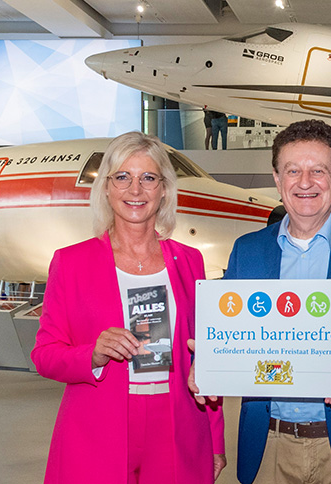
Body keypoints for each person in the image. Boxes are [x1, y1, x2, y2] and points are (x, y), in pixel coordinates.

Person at [190, 119, 331, 484]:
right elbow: (223, 331)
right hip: (269, 443)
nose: (305, 183)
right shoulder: (248, 251)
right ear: (277, 179)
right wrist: (205, 361)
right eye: (293, 171)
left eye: (318, 170)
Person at [31, 131, 225, 484]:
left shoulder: (190, 261)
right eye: (122, 177)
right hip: (97, 427)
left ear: (164, 188)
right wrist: (93, 354)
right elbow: (44, 354)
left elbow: (204, 355)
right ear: (106, 187)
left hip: (178, 423)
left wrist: (214, 437)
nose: (135, 190)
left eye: (148, 178)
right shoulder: (70, 262)